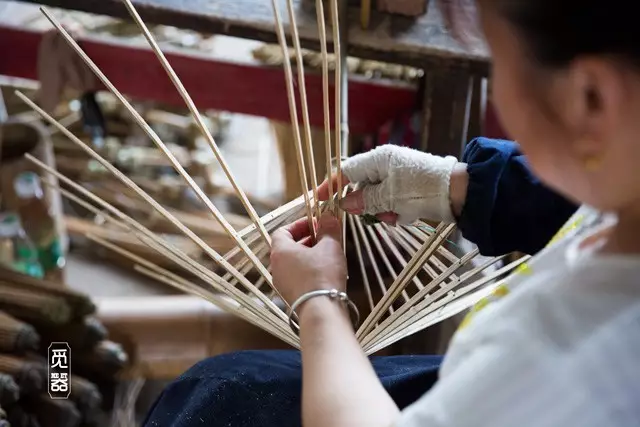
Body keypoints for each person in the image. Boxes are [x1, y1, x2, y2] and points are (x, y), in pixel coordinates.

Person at [145, 0, 640, 425]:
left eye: (497, 61)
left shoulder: (578, 368)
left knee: (209, 403)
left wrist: (319, 302)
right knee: (228, 386)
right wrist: (465, 185)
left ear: (590, 99)